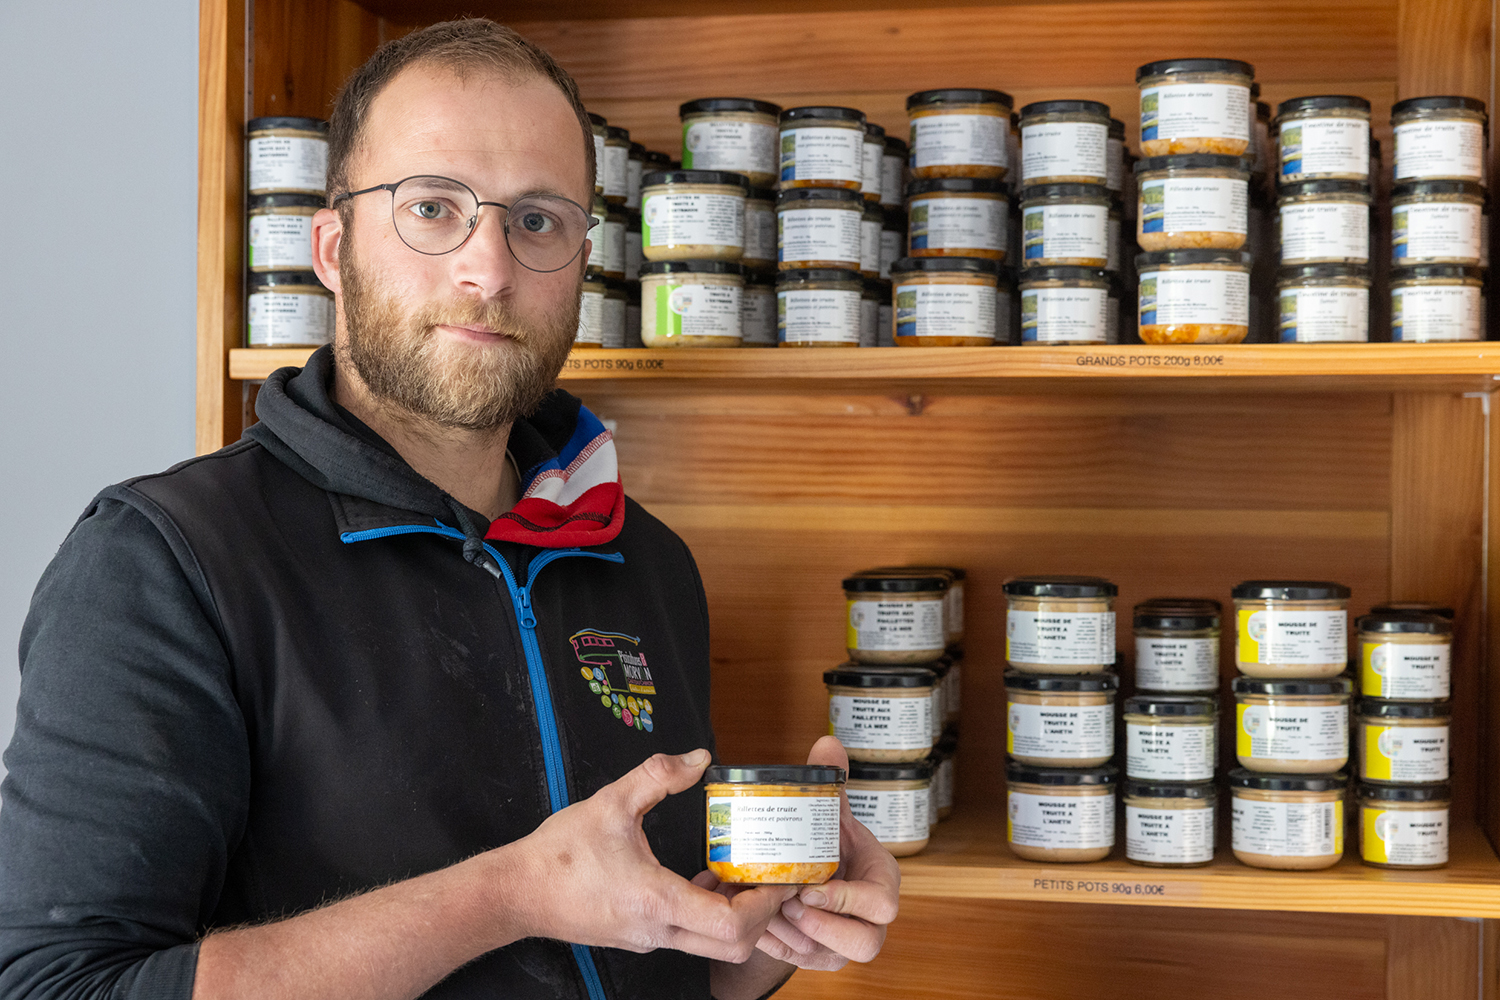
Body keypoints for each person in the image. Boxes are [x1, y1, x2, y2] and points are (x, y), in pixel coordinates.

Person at [0, 18, 899, 1000]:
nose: (491, 269)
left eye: (537, 220)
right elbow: (58, 985)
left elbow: (658, 963)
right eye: (433, 208)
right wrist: (508, 895)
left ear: (582, 259)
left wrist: (769, 930)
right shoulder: (164, 564)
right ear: (333, 248)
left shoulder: (644, 560)